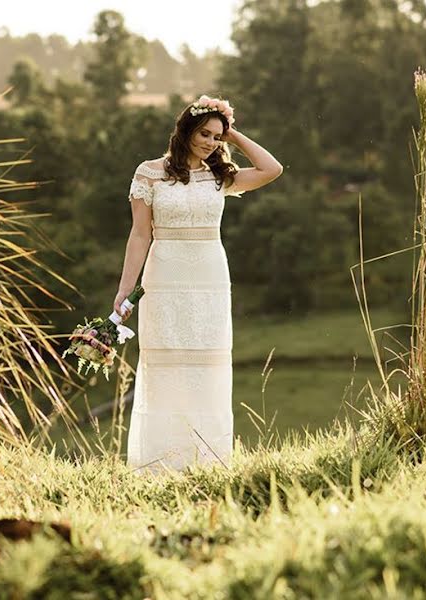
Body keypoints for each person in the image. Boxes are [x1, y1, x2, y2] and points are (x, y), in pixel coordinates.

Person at [115, 95, 283, 474]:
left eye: (216, 137)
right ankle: (160, 463)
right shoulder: (149, 173)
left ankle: (206, 461)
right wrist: (126, 289)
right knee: (167, 364)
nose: (210, 142)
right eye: (204, 133)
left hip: (209, 278)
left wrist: (233, 135)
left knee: (207, 366)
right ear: (186, 130)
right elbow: (140, 235)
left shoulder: (221, 176)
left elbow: (272, 169)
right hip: (165, 276)